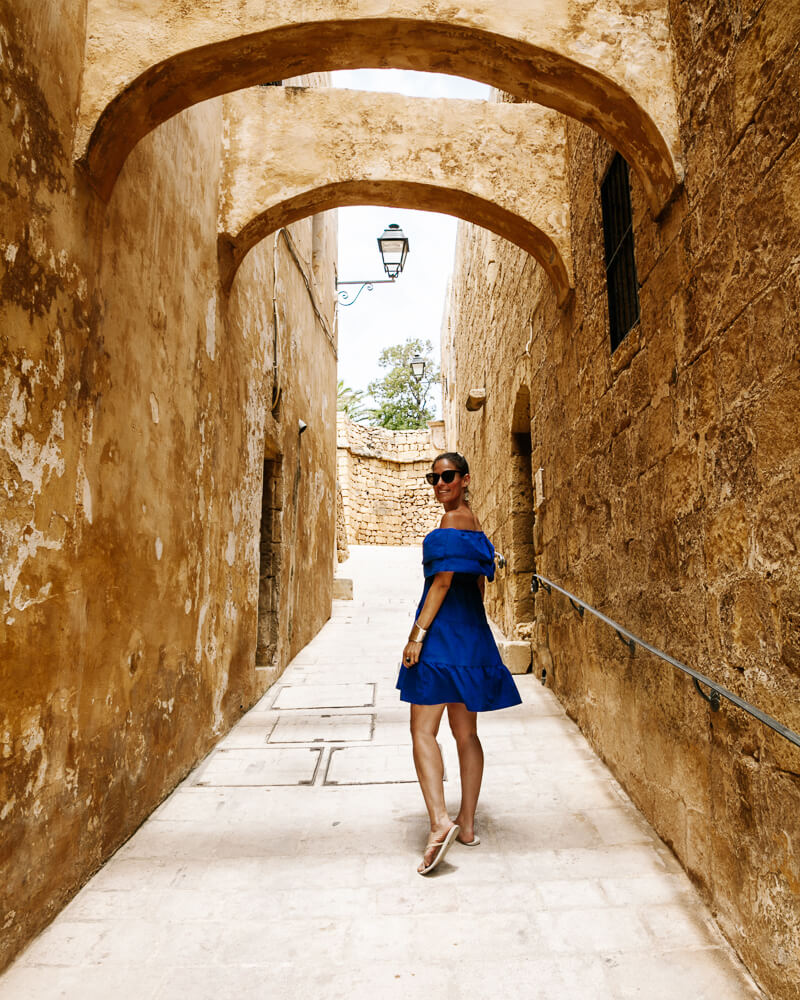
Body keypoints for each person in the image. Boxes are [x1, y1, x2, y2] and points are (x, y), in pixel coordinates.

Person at [397, 452, 522, 875]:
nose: (439, 484)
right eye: (433, 478)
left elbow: (444, 581)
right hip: (471, 639)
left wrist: (418, 636)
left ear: (465, 478)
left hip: (442, 639)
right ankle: (466, 827)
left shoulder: (450, 523)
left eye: (447, 476)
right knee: (466, 734)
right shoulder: (477, 526)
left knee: (422, 731)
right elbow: (477, 589)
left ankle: (438, 824)